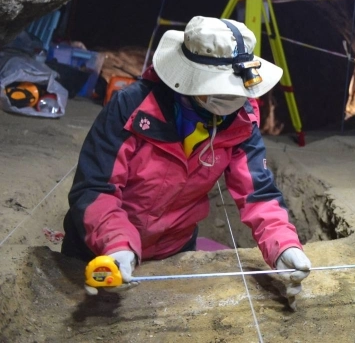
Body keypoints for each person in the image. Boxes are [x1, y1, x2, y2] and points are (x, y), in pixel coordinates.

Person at [62, 17, 311, 305]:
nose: (233, 98)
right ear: (190, 78)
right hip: (100, 254)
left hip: (174, 254)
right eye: (221, 89)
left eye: (237, 88)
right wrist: (116, 246)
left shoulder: (242, 122)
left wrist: (284, 246)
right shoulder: (131, 108)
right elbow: (94, 189)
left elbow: (259, 193)